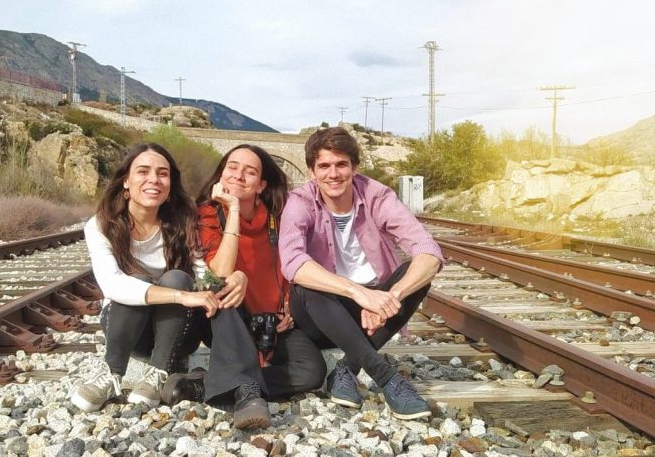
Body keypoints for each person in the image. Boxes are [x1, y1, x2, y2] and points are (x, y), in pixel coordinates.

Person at [278, 127, 444, 420]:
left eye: (341, 164)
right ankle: (387, 378)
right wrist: (359, 293)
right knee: (308, 282)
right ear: (312, 172)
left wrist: (390, 297)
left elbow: (428, 251)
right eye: (324, 166)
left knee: (416, 274)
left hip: (372, 314)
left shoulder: (377, 195)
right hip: (321, 314)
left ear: (354, 167)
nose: (333, 174)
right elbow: (292, 261)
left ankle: (346, 368)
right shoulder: (300, 201)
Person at [70, 143, 247, 413]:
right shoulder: (101, 225)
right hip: (127, 330)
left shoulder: (183, 222)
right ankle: (112, 372)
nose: (154, 179)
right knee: (136, 281)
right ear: (126, 181)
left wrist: (238, 276)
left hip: (178, 333)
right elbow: (112, 284)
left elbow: (207, 275)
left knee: (177, 277)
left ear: (170, 185)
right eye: (143, 171)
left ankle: (158, 374)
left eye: (163, 174)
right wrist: (181, 296)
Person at [165, 144, 327, 429]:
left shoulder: (279, 217)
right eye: (232, 167)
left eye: (250, 172)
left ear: (261, 185)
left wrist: (289, 303)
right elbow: (221, 271)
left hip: (272, 325)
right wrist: (234, 210)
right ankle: (248, 394)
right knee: (220, 287)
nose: (239, 175)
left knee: (312, 371)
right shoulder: (206, 215)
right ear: (221, 174)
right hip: (230, 320)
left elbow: (295, 264)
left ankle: (207, 385)